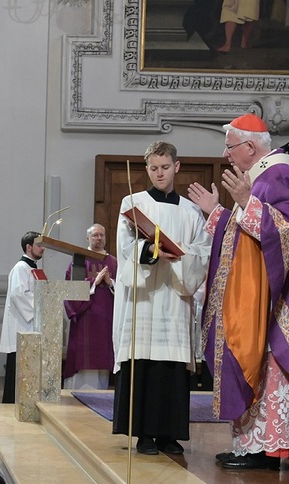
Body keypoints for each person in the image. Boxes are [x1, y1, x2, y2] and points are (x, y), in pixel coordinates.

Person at [187, 113, 289, 470]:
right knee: (251, 368)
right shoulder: (257, 179)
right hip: (251, 298)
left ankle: (265, 449)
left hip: (271, 303)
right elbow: (240, 240)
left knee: (267, 371)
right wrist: (216, 211)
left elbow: (286, 232)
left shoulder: (278, 175)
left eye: (229, 147)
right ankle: (251, 446)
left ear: (249, 146)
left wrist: (248, 201)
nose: (226, 153)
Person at [113, 141, 209, 455]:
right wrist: (152, 251)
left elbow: (203, 251)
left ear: (176, 167)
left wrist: (181, 253)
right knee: (144, 362)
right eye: (153, 168)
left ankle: (169, 433)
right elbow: (125, 248)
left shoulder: (191, 210)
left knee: (171, 365)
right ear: (147, 169)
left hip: (175, 295)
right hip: (145, 299)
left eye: (165, 167)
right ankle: (143, 434)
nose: (159, 173)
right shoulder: (133, 203)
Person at [63, 223, 116, 390]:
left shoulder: (113, 262)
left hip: (107, 317)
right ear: (88, 238)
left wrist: (110, 282)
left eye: (102, 235)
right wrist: (95, 281)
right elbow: (71, 290)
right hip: (86, 317)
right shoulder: (79, 261)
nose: (99, 238)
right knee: (84, 354)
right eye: (95, 235)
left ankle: (101, 391)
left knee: (102, 357)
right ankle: (77, 390)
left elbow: (125, 290)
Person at [0, 230, 45, 403]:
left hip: (30, 326)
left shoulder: (33, 268)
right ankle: (11, 403)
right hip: (22, 326)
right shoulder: (20, 268)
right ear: (28, 246)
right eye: (39, 245)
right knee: (17, 369)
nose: (43, 249)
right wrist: (39, 310)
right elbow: (18, 294)